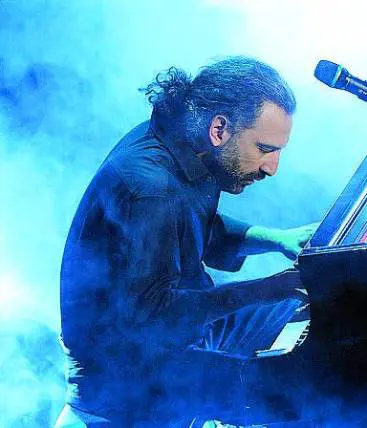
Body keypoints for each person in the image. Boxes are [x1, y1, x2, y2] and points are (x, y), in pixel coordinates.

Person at [56, 56, 317, 427]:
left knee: (300, 308)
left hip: (176, 334)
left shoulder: (188, 146)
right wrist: (267, 288)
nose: (271, 168)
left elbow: (193, 225)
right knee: (292, 395)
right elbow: (154, 320)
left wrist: (276, 239)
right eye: (264, 149)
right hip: (129, 379)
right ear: (219, 129)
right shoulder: (151, 188)